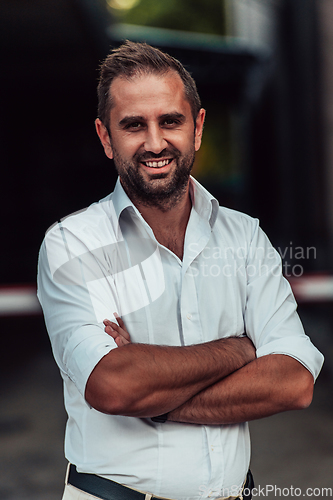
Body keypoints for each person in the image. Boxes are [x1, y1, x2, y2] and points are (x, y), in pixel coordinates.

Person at [37, 41, 324, 500]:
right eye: (133, 125)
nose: (155, 142)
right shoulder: (72, 244)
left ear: (198, 127)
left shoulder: (245, 237)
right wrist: (240, 349)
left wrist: (157, 403)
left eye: (170, 120)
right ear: (106, 137)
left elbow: (293, 382)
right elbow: (114, 385)